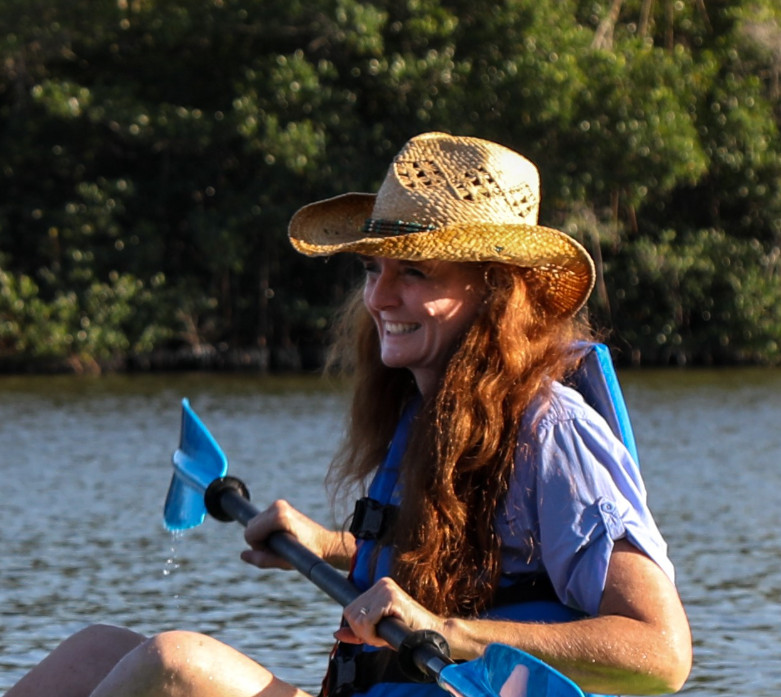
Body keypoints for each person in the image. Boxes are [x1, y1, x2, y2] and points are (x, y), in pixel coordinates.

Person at [6, 132, 691, 697]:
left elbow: (660, 654)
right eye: (372, 268)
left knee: (177, 663)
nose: (380, 297)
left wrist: (457, 633)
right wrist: (329, 543)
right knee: (90, 650)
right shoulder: (426, 409)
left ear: (493, 290)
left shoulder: (552, 431)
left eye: (414, 272)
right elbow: (455, 561)